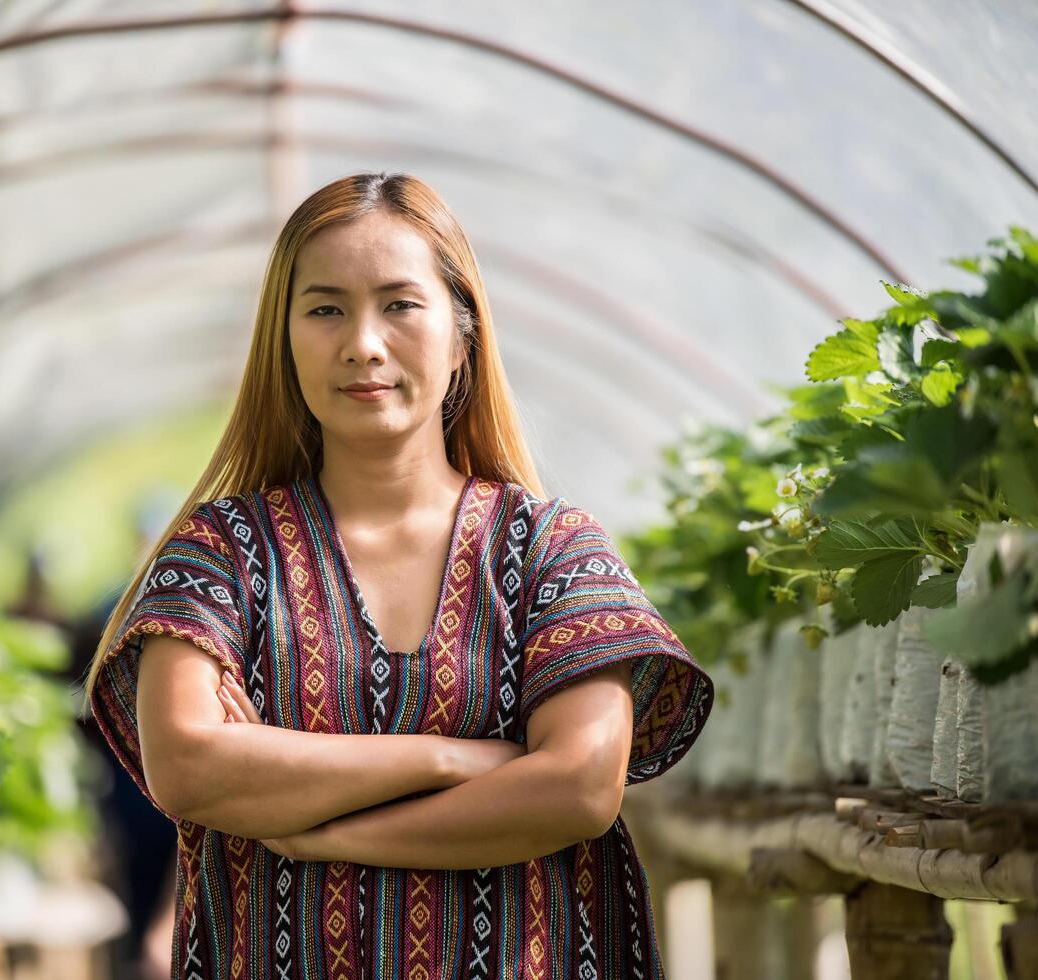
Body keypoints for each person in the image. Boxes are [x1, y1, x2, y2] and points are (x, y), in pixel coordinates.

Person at [82, 170, 715, 980]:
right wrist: (452, 759)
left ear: (462, 335)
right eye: (324, 309)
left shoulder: (550, 551)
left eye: (399, 304)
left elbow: (581, 789)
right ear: (282, 340)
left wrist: (319, 830)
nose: (362, 344)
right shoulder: (222, 553)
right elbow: (188, 767)